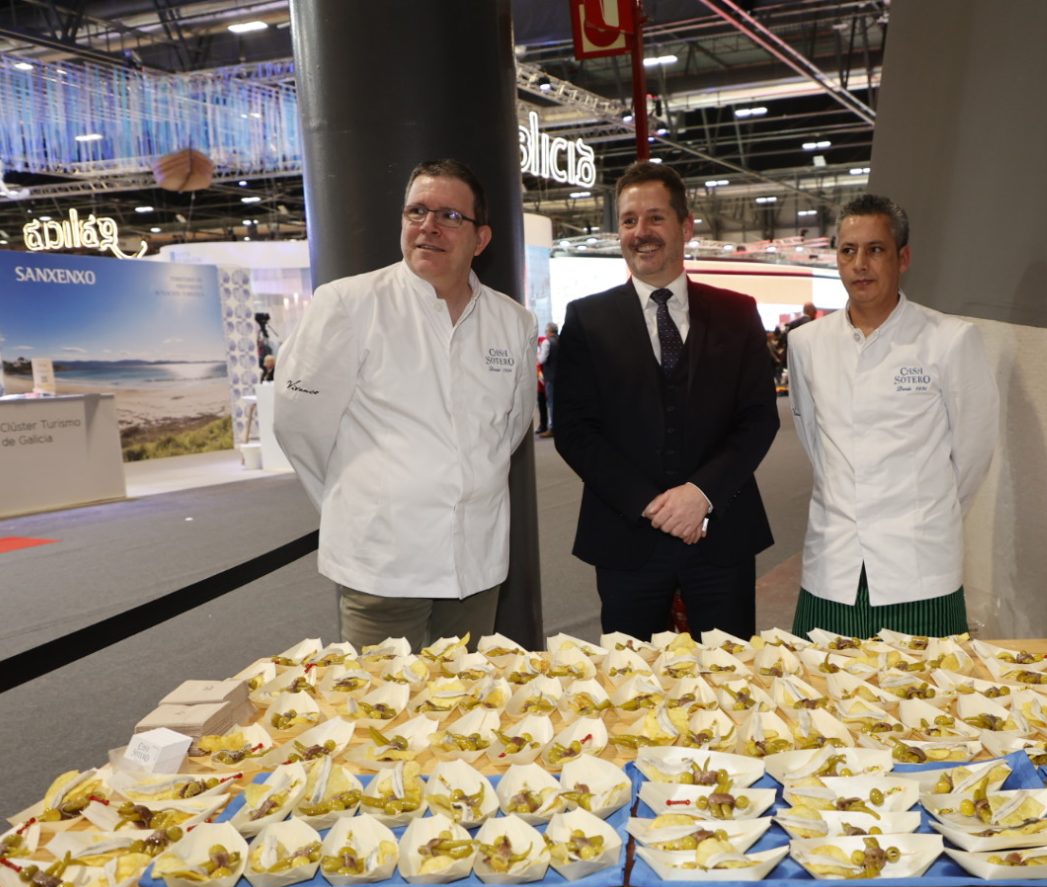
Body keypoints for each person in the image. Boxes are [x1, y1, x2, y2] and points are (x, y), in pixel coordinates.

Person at [274, 159, 536, 651]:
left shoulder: (512, 321)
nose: (428, 226)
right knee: (383, 697)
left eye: (450, 216)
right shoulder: (349, 304)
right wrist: (358, 503)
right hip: (383, 564)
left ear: (481, 239)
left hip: (475, 563)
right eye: (417, 211)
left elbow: (512, 426)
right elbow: (298, 424)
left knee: (466, 695)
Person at [554, 160, 779, 639]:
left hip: (722, 534)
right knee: (629, 678)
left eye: (655, 217)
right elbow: (574, 431)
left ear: (686, 227)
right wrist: (651, 504)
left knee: (729, 673)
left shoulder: (737, 313)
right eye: (629, 220)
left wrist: (701, 494)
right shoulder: (587, 320)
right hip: (626, 538)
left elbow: (759, 419)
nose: (641, 232)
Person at [787, 193, 999, 639]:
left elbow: (973, 454)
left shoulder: (949, 339)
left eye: (875, 250)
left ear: (902, 258)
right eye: (848, 251)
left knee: (929, 683)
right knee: (819, 681)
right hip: (832, 564)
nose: (860, 264)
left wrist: (923, 513)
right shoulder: (807, 344)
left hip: (920, 568)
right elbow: (813, 439)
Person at [536, 322, 559, 438]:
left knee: (551, 403)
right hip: (561, 377)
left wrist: (536, 355)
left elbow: (541, 359)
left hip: (550, 377)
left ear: (549, 331)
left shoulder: (546, 342)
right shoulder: (561, 340)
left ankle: (553, 428)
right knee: (559, 403)